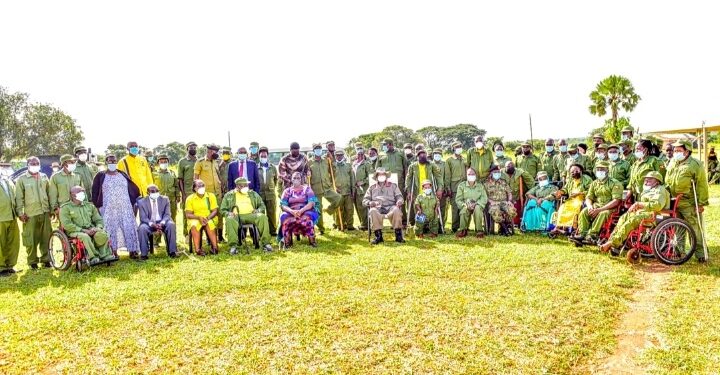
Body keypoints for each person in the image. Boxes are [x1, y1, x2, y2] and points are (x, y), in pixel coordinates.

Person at [600, 172, 669, 254]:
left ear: (657, 182)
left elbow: (657, 205)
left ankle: (613, 243)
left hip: (657, 215)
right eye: (645, 180)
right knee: (623, 217)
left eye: (649, 180)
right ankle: (613, 242)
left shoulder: (660, 190)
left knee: (632, 220)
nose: (646, 182)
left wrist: (639, 204)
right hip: (644, 213)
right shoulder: (648, 191)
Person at [665, 140, 710, 262]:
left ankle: (700, 254)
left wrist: (701, 203)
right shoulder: (672, 162)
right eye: (675, 150)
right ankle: (679, 251)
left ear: (687, 151)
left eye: (679, 150)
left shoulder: (695, 164)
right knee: (678, 227)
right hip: (674, 201)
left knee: (695, 228)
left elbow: (702, 185)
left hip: (689, 202)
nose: (675, 153)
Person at [91, 154, 142, 258]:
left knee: (128, 227)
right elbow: (95, 191)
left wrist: (133, 202)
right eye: (110, 161)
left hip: (125, 207)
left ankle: (132, 250)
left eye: (114, 161)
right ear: (106, 162)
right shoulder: (100, 175)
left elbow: (131, 187)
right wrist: (96, 205)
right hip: (108, 208)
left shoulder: (122, 174)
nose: (112, 163)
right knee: (110, 229)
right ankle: (113, 251)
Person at [59, 186, 115, 265]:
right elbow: (67, 225)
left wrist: (97, 227)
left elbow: (98, 220)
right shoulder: (65, 208)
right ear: (73, 195)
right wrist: (83, 230)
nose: (83, 194)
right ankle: (93, 257)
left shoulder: (89, 206)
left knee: (102, 233)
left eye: (83, 191)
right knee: (85, 236)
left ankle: (105, 255)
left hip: (91, 228)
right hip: (75, 231)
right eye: (80, 192)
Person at [571, 161, 623, 245]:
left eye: (602, 169)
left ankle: (592, 235)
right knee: (584, 211)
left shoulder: (615, 183)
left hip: (610, 208)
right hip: (596, 206)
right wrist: (590, 207)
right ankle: (582, 234)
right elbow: (588, 197)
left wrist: (599, 210)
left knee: (603, 213)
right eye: (598, 169)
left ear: (607, 170)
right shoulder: (594, 183)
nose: (600, 171)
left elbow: (616, 201)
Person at [15, 157, 52, 269]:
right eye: (32, 163)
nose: (35, 165)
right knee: (31, 238)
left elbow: (49, 193)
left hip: (45, 212)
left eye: (37, 163)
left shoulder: (44, 177)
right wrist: (20, 213)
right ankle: (32, 262)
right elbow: (19, 198)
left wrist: (51, 209)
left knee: (46, 237)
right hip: (30, 214)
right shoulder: (21, 179)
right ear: (28, 165)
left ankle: (46, 260)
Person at [220, 177, 274, 253]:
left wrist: (258, 210)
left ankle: (266, 244)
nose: (246, 187)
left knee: (262, 217)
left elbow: (262, 205)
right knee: (229, 219)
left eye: (246, 185)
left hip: (251, 215)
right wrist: (228, 213)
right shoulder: (229, 195)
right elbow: (222, 209)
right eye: (243, 185)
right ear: (237, 186)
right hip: (236, 216)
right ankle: (233, 246)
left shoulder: (253, 194)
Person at [363, 168, 405, 244]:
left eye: (383, 175)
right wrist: (370, 203)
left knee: (396, 210)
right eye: (380, 175)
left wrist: (399, 201)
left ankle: (398, 235)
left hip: (390, 206)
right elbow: (365, 200)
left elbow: (399, 196)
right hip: (377, 207)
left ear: (386, 176)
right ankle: (378, 236)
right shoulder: (372, 188)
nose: (381, 176)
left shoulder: (393, 186)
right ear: (377, 177)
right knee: (372, 210)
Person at [279, 172, 320, 248]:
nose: (296, 180)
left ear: (301, 179)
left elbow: (311, 203)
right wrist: (292, 211)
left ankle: (312, 242)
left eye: (298, 178)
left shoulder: (307, 189)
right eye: (294, 178)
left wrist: (301, 211)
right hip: (291, 212)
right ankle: (287, 243)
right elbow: (283, 205)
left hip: (305, 210)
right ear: (291, 179)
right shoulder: (287, 191)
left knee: (307, 218)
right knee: (284, 217)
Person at [137, 184, 178, 259]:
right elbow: (143, 218)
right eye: (152, 191)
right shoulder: (141, 202)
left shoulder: (165, 199)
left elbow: (167, 214)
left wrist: (162, 223)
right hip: (149, 223)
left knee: (171, 225)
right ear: (147, 192)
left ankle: (172, 252)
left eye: (157, 191)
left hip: (163, 222)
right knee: (142, 228)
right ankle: (144, 254)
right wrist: (152, 224)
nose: (155, 193)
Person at [405, 147, 443, 227]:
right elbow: (408, 179)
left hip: (429, 192)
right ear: (417, 157)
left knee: (431, 209)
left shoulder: (431, 165)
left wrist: (439, 189)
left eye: (424, 156)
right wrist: (408, 191)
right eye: (420, 156)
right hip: (417, 192)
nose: (422, 157)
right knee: (418, 209)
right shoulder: (413, 166)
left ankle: (432, 225)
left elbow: (438, 177)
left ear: (426, 156)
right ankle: (421, 226)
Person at [308, 143, 342, 234]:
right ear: (313, 151)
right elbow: (306, 174)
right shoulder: (309, 162)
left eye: (319, 148)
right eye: (316, 149)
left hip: (327, 187)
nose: (318, 150)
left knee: (338, 198)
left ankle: (329, 210)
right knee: (318, 209)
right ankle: (321, 229)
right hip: (316, 189)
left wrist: (331, 158)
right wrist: (307, 174)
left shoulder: (326, 160)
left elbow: (333, 169)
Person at [550, 163, 592, 235]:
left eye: (576, 170)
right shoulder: (570, 181)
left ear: (581, 170)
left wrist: (579, 193)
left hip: (582, 200)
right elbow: (565, 189)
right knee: (562, 207)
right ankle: (558, 227)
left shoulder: (587, 179)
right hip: (571, 200)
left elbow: (591, 191)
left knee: (575, 207)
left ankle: (572, 228)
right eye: (572, 172)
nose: (574, 172)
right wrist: (560, 192)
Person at [194, 144, 223, 241]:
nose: (216, 153)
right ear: (209, 151)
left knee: (219, 213)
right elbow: (196, 178)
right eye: (215, 151)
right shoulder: (200, 162)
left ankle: (220, 235)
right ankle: (209, 236)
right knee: (208, 214)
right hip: (207, 193)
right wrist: (197, 191)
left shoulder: (215, 162)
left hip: (217, 193)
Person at [377, 138, 408, 223]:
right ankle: (394, 221)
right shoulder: (381, 154)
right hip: (386, 184)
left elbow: (406, 168)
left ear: (390, 144)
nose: (383, 146)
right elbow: (377, 170)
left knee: (401, 200)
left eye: (385, 145)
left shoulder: (400, 153)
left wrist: (406, 182)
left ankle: (403, 220)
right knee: (389, 201)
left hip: (400, 183)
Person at [184, 179, 219, 256]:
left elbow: (215, 211)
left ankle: (215, 248)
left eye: (203, 185)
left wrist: (207, 218)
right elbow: (188, 214)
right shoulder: (190, 198)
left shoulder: (210, 196)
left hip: (209, 217)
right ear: (194, 188)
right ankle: (198, 250)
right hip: (195, 218)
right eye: (199, 186)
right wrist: (198, 217)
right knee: (194, 225)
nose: (202, 187)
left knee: (209, 223)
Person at [455, 167, 488, 238]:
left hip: (477, 204)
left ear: (475, 175)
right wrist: (465, 204)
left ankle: (479, 230)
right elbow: (458, 199)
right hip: (466, 204)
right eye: (469, 174)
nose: (471, 175)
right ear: (466, 175)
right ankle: (463, 230)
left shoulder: (480, 186)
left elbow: (484, 198)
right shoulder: (461, 186)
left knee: (478, 209)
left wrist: (476, 203)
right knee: (464, 210)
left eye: (473, 174)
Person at [484, 165, 517, 235]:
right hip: (493, 204)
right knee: (496, 212)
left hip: (504, 202)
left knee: (512, 211)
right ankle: (505, 229)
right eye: (495, 172)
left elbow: (509, 193)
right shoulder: (486, 184)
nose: (497, 174)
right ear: (491, 173)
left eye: (498, 172)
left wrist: (509, 201)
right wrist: (490, 201)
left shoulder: (503, 182)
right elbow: (484, 196)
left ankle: (503, 228)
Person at [0, 164, 20, 276]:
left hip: (12, 215)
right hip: (1, 216)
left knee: (13, 242)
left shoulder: (6, 179)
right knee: (1, 243)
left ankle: (10, 265)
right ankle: (1, 268)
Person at [501, 161, 534, 225]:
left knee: (516, 212)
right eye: (508, 166)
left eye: (511, 166)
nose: (510, 167)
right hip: (505, 197)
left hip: (517, 197)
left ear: (514, 167)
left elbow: (530, 182)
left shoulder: (520, 172)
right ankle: (505, 223)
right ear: (505, 167)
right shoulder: (501, 173)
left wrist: (531, 192)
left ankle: (516, 223)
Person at [256, 147, 279, 236]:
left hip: (271, 194)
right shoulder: (256, 167)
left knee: (272, 213)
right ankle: (261, 232)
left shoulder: (272, 167)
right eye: (262, 156)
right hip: (260, 194)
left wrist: (271, 188)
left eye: (265, 156)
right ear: (259, 156)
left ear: (267, 156)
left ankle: (272, 231)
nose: (263, 157)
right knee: (260, 214)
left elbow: (276, 179)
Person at [352, 143, 374, 231]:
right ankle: (362, 223)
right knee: (358, 206)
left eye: (361, 154)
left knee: (364, 206)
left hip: (364, 189)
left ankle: (366, 224)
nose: (359, 155)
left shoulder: (367, 164)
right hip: (355, 189)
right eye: (358, 153)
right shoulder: (353, 163)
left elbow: (372, 176)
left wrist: (363, 181)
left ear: (363, 154)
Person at [445, 141, 466, 232]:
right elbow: (447, 175)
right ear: (453, 149)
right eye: (457, 147)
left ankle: (463, 226)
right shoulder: (449, 160)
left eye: (460, 146)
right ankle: (454, 227)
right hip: (454, 187)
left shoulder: (464, 159)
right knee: (455, 208)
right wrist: (448, 188)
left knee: (464, 207)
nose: (459, 148)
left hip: (464, 187)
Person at [332, 149, 355, 230]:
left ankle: (350, 225)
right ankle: (340, 225)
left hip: (348, 191)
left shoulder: (348, 165)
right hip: (338, 192)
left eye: (341, 155)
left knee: (349, 209)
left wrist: (353, 190)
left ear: (343, 156)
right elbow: (330, 179)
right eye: (337, 155)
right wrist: (333, 189)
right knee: (339, 210)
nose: (339, 157)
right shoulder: (333, 166)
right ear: (335, 156)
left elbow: (352, 178)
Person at [154, 154, 180, 223]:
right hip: (158, 199)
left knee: (172, 218)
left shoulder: (172, 173)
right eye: (161, 162)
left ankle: (171, 233)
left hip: (171, 200)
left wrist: (178, 196)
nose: (163, 163)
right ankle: (158, 233)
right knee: (158, 218)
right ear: (158, 163)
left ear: (168, 162)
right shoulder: (154, 173)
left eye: (165, 161)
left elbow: (176, 185)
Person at [177, 141, 198, 213]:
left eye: (195, 148)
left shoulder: (199, 161)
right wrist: (183, 194)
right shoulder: (182, 161)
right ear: (187, 149)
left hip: (198, 191)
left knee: (197, 212)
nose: (193, 149)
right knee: (187, 213)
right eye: (191, 147)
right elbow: (180, 179)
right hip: (187, 191)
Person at [431, 148, 449, 232]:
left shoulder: (445, 164)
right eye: (435, 154)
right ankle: (432, 226)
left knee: (442, 208)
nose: (437, 156)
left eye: (439, 154)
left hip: (442, 190)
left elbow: (447, 177)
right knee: (432, 207)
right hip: (431, 189)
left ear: (441, 155)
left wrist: (444, 188)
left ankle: (441, 226)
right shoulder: (430, 164)